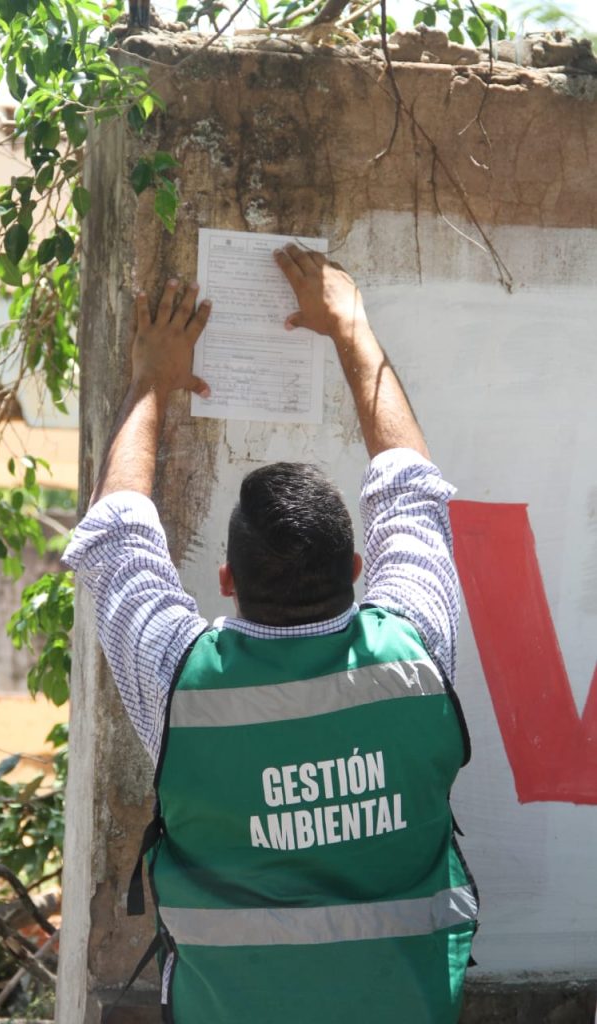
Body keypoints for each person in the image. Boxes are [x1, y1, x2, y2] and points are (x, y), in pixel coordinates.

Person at [63, 245, 478, 1024]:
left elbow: (117, 535)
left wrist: (151, 379)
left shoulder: (182, 681)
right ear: (356, 567)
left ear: (227, 580)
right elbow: (412, 493)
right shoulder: (416, 648)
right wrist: (352, 328)